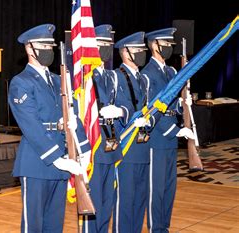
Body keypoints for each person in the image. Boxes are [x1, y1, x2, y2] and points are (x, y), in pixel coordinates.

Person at [8, 24, 91, 233]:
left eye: (50, 45)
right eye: (42, 45)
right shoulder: (21, 82)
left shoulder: (58, 80)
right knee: (33, 225)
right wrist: (58, 159)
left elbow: (73, 114)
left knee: (55, 224)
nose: (48, 49)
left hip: (63, 158)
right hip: (38, 161)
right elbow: (31, 126)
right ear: (29, 48)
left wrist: (84, 149)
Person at [142, 28, 194, 233]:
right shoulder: (148, 74)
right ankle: (156, 228)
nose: (168, 48)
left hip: (171, 138)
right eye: (165, 44)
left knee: (169, 188)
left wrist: (183, 104)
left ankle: (165, 226)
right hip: (158, 137)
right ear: (154, 45)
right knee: (156, 190)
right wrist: (175, 130)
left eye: (170, 45)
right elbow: (152, 108)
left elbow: (173, 105)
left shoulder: (171, 72)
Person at [84, 24, 124, 233]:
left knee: (107, 202)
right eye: (101, 44)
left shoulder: (110, 76)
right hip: (93, 147)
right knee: (93, 202)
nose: (106, 48)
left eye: (109, 44)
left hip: (110, 146)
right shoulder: (84, 78)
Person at [111, 31, 151, 233]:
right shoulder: (116, 77)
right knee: (124, 202)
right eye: (138, 49)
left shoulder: (143, 80)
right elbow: (113, 107)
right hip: (125, 148)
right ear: (125, 52)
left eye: (143, 49)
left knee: (139, 201)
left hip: (143, 147)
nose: (142, 53)